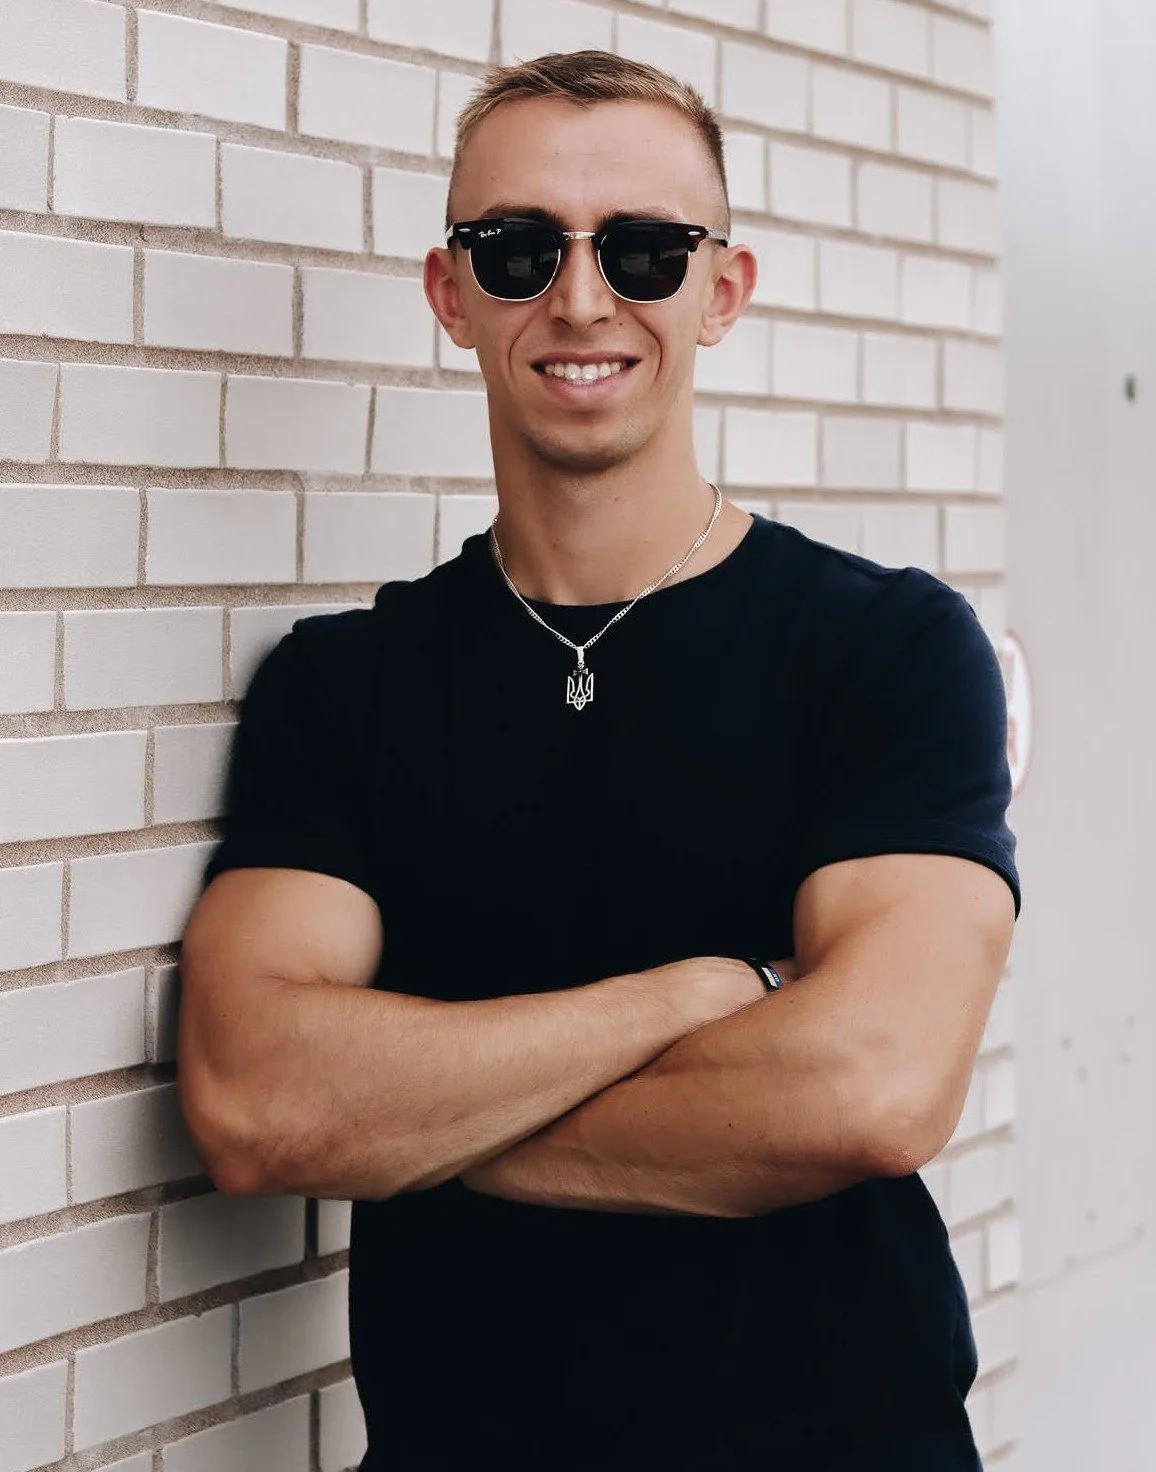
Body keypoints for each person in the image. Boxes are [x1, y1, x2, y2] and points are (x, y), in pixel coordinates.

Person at [178, 49, 1021, 1472]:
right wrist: (685, 997)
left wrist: (408, 1119)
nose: (580, 299)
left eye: (641, 248)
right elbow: (260, 1104)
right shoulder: (344, 686)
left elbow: (869, 1091)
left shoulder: (883, 649)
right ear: (451, 295)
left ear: (721, 291)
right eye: (516, 249)